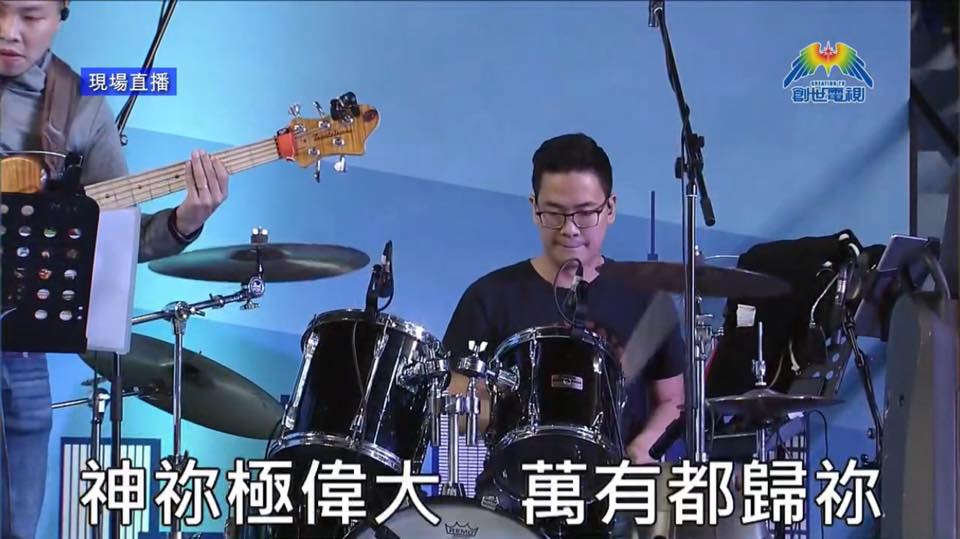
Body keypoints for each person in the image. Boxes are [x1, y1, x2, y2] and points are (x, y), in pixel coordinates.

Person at [0, 1, 230, 537]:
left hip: (16, 356)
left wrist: (185, 219)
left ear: (61, 13)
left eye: (30, 16)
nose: (8, 32)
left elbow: (119, 234)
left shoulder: (78, 108)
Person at [443, 133, 685, 537]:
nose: (570, 229)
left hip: (618, 496)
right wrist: (493, 410)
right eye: (554, 214)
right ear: (533, 208)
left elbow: (673, 400)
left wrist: (643, 448)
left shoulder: (646, 299)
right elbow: (459, 398)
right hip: (514, 494)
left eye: (585, 213)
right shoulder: (490, 296)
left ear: (610, 208)